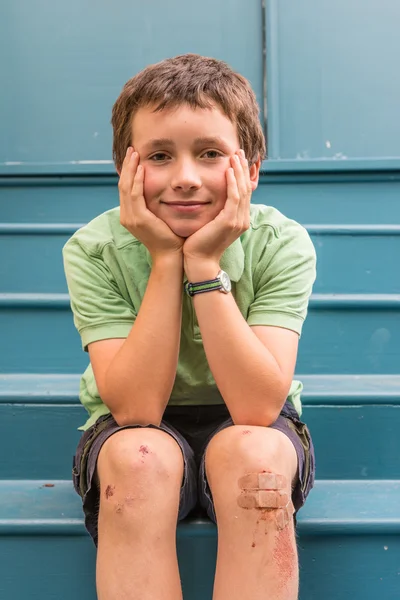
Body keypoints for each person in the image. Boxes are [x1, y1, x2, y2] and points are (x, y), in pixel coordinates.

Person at [63, 53, 317, 600]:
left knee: (258, 462)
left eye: (209, 154)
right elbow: (134, 411)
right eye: (159, 155)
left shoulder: (281, 242)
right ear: (126, 171)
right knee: (138, 458)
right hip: (137, 428)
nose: (184, 179)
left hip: (250, 420)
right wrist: (163, 261)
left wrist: (203, 269)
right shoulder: (94, 250)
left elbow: (257, 408)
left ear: (249, 170)